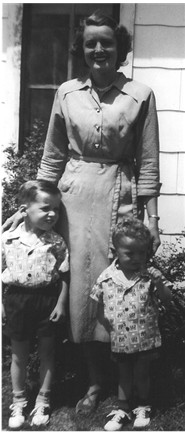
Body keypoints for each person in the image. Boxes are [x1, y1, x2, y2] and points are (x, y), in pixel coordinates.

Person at [2, 10, 161, 413]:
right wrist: (31, 207)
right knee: (79, 292)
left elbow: (148, 162)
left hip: (120, 196)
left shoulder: (140, 95)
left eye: (106, 41)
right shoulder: (67, 93)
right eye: (91, 42)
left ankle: (122, 383)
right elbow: (52, 158)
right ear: (82, 48)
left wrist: (152, 218)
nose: (98, 49)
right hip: (74, 199)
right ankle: (92, 382)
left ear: (119, 48)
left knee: (116, 289)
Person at [90, 216, 172, 430]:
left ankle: (143, 406)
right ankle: (122, 408)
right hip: (120, 338)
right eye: (130, 253)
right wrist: (104, 324)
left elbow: (166, 299)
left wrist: (160, 283)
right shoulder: (106, 277)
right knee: (124, 375)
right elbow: (99, 304)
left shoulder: (148, 277)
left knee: (142, 374)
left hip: (145, 337)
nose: (137, 258)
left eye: (142, 253)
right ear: (115, 250)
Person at [2, 180, 69, 429]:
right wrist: (1, 305)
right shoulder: (8, 239)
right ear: (24, 209)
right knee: (18, 355)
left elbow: (64, 275)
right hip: (16, 301)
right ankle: (18, 401)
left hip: (47, 300)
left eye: (57, 209)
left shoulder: (57, 241)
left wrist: (61, 304)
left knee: (47, 353)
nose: (52, 214)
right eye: (45, 208)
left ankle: (43, 399)